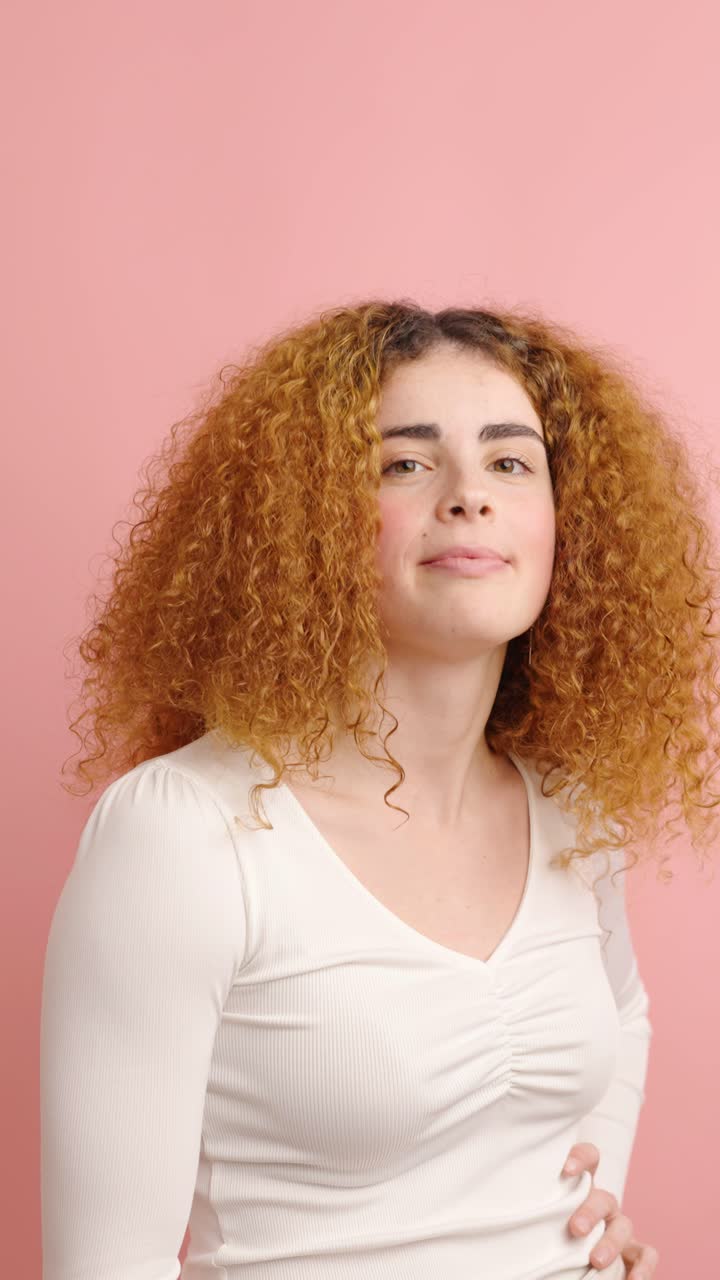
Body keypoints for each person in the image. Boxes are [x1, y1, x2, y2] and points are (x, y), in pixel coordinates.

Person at [42, 300, 719, 1279]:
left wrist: (586, 1200)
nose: (467, 495)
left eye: (510, 461)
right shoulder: (186, 830)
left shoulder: (571, 812)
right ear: (304, 519)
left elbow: (624, 1014)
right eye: (404, 461)